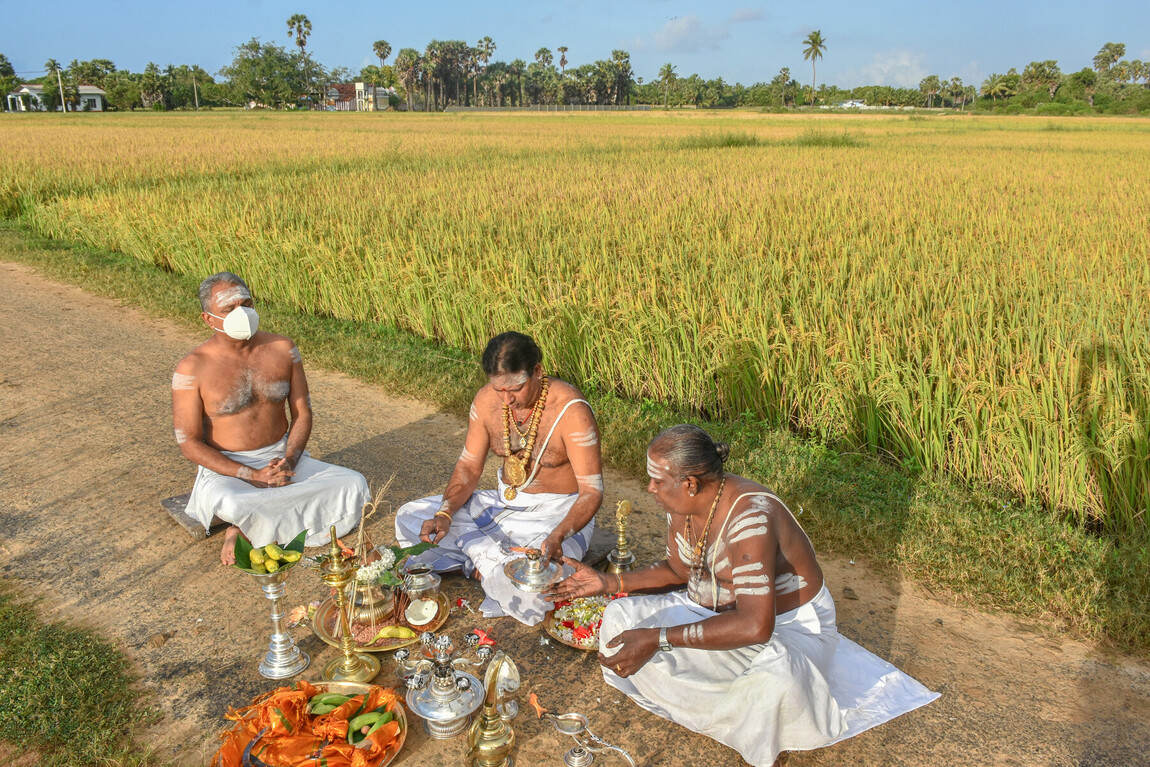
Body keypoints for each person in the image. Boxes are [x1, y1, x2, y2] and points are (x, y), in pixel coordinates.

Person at [548, 425, 938, 767]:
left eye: (656, 481)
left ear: (690, 483)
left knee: (776, 677)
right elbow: (679, 573)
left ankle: (758, 714)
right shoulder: (681, 504)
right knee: (619, 621)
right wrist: (607, 584)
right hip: (713, 611)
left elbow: (755, 625)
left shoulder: (751, 516)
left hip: (788, 630)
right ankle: (735, 707)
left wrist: (657, 639)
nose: (648, 488)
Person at [395, 332, 602, 625]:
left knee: (535, 590)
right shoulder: (486, 401)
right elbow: (468, 467)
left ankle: (481, 563)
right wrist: (445, 513)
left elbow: (592, 493)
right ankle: (486, 567)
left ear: (538, 372)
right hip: (501, 504)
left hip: (556, 516)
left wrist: (557, 536)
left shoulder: (572, 411)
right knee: (410, 517)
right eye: (498, 389)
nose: (506, 400)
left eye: (515, 389)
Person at [172, 272, 369, 564]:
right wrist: (251, 475)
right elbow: (189, 443)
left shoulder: (282, 349)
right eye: (229, 309)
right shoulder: (192, 368)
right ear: (209, 319)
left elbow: (302, 413)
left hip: (281, 458)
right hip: (227, 469)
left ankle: (251, 525)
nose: (242, 313)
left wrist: (289, 460)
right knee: (234, 500)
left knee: (353, 484)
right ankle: (240, 525)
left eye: (246, 303)